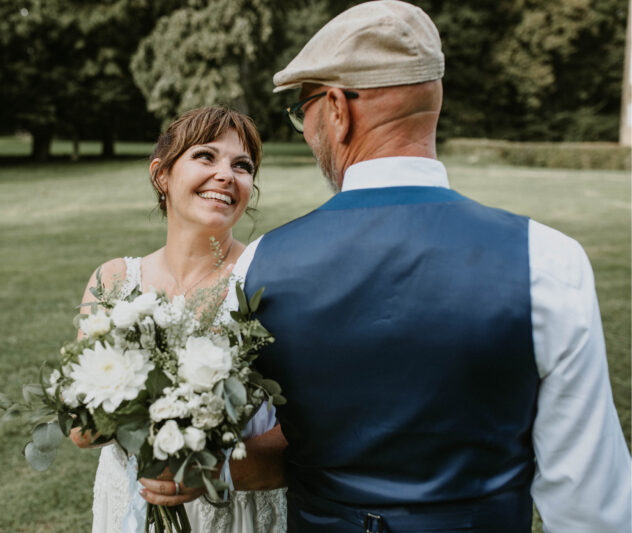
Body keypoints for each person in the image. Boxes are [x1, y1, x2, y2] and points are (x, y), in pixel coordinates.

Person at [230, 1, 632, 532]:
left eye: (300, 110)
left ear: (336, 109)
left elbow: (238, 442)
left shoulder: (261, 265)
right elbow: (589, 501)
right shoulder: (548, 259)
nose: (305, 130)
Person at [70, 106, 287, 532]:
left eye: (242, 166)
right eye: (206, 156)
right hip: (130, 505)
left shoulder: (268, 281)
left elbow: (310, 436)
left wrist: (213, 469)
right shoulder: (113, 281)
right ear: (161, 175)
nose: (226, 174)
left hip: (237, 514)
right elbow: (81, 431)